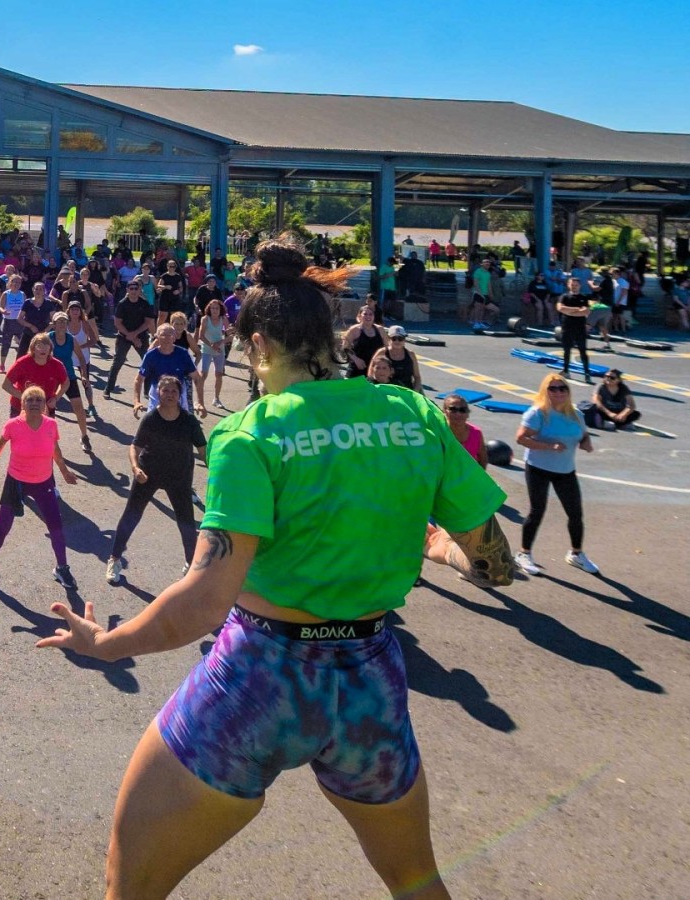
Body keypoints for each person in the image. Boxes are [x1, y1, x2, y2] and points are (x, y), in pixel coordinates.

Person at [36, 237, 513, 898]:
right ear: (333, 335)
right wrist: (444, 548)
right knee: (415, 878)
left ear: (257, 345)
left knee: (131, 883)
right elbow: (494, 565)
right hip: (372, 679)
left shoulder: (252, 434)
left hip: (263, 679)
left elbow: (202, 604)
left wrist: (107, 644)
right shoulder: (413, 415)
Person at [0, 385, 79, 591]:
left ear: (44, 405)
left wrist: (65, 472)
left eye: (38, 400)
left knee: (56, 527)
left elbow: (55, 451)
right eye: (29, 400)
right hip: (16, 482)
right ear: (22, 404)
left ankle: (62, 568)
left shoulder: (51, 425)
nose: (34, 403)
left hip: (44, 482)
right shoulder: (13, 425)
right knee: (2, 527)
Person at [106, 375, 206, 586]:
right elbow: (135, 446)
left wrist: (218, 471)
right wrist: (135, 468)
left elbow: (204, 451)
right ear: (158, 393)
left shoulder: (189, 421)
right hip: (148, 473)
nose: (169, 395)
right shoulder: (151, 419)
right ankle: (114, 559)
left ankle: (191, 565)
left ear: (180, 395)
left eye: (174, 391)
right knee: (131, 515)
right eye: (165, 391)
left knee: (186, 522)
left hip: (179, 476)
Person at [514, 373, 598, 576]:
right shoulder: (537, 413)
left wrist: (585, 443)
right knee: (537, 510)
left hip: (565, 470)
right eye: (553, 388)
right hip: (538, 468)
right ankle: (523, 553)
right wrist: (549, 446)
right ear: (545, 391)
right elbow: (521, 438)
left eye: (562, 388)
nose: (558, 392)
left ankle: (576, 554)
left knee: (575, 513)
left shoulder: (576, 413)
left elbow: (583, 434)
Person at [134, 324, 204, 419]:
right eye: (163, 335)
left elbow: (197, 378)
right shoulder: (150, 356)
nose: (167, 338)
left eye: (170, 335)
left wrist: (200, 402)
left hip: (178, 395)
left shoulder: (183, 354)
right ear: (157, 337)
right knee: (153, 426)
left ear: (174, 337)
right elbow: (139, 379)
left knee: (182, 426)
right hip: (157, 394)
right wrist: (136, 401)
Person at [47, 313, 93, 451]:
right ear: (54, 324)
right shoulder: (48, 338)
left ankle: (84, 436)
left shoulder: (71, 339)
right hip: (52, 378)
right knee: (50, 409)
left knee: (79, 407)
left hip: (69, 376)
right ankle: (49, 439)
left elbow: (81, 359)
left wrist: (84, 376)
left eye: (64, 321)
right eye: (59, 321)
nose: (62, 324)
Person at [105, 280, 156, 399]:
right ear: (127, 290)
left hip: (141, 337)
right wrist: (131, 336)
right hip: (124, 336)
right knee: (118, 362)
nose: (133, 291)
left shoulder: (145, 304)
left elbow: (148, 322)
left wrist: (135, 335)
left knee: (148, 363)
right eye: (131, 289)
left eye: (136, 289)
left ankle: (147, 391)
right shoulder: (122, 304)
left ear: (139, 290)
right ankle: (108, 389)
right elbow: (117, 323)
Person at [554, 280, 593, 383]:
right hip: (567, 327)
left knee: (582, 351)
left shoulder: (583, 297)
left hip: (580, 328)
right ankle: (566, 370)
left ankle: (587, 373)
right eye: (572, 285)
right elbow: (560, 308)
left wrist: (569, 312)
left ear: (580, 286)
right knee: (566, 350)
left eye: (576, 285)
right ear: (568, 285)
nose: (574, 287)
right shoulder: (564, 297)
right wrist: (576, 309)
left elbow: (586, 311)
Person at [196, 299, 229, 409]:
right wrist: (211, 345)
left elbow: (230, 335)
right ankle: (199, 400)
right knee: (203, 374)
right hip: (207, 349)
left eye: (217, 308)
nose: (214, 310)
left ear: (221, 310)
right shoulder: (205, 319)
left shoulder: (223, 319)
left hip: (219, 349)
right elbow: (201, 336)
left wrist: (220, 343)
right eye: (212, 308)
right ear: (209, 309)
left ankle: (216, 399)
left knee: (219, 374)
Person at [341, 305, 384, 378]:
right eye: (365, 314)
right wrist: (355, 359)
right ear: (360, 316)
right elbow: (344, 348)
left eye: (370, 314)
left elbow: (387, 348)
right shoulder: (354, 330)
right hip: (358, 368)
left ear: (374, 316)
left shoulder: (380, 330)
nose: (368, 316)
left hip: (375, 369)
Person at [377, 325, 420, 391]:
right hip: (386, 391)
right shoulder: (382, 353)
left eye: (400, 339)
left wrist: (415, 391)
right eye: (394, 338)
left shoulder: (411, 355)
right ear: (389, 339)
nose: (397, 341)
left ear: (404, 340)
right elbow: (371, 373)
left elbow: (417, 377)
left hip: (406, 391)